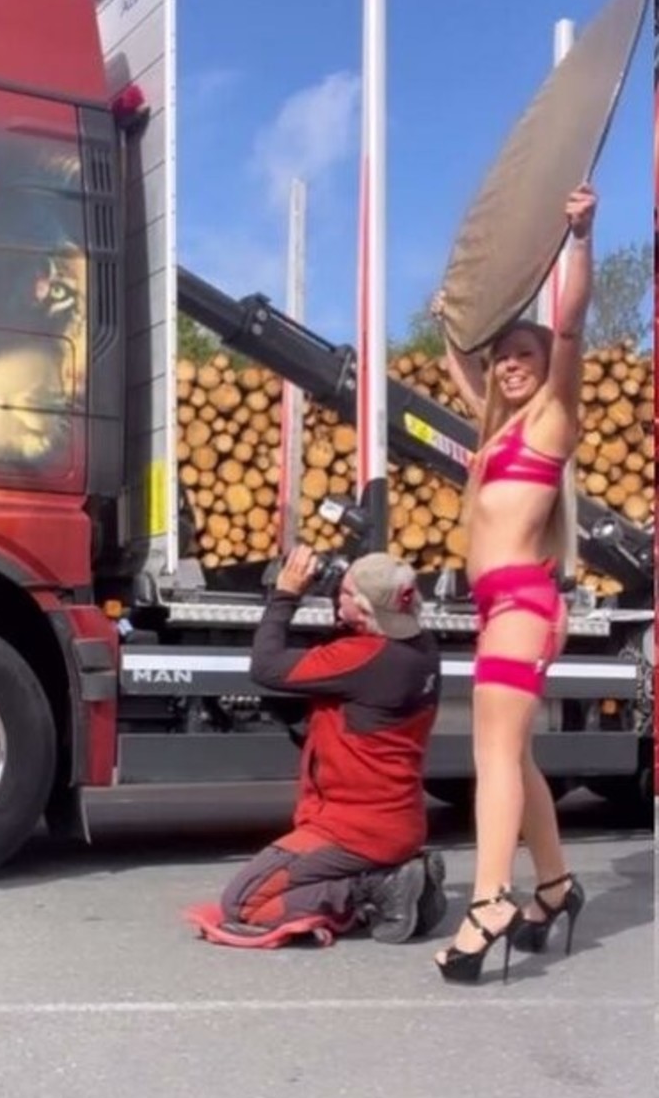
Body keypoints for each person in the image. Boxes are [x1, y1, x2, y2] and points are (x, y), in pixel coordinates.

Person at [431, 182, 597, 984]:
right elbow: (470, 376)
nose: (511, 367)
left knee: (492, 754)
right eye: (504, 360)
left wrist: (581, 239)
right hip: (501, 606)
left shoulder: (553, 422)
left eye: (524, 356)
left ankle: (490, 899)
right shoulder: (498, 434)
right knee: (515, 753)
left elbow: (568, 327)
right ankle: (556, 886)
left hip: (525, 605)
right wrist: (451, 328)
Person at [188, 546, 445, 949]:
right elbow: (349, 648)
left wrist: (286, 594)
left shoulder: (363, 658)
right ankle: (398, 877)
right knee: (276, 889)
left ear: (363, 609)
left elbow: (266, 666)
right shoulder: (421, 648)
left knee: (244, 903)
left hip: (353, 830)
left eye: (345, 593)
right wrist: (341, 602)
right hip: (396, 821)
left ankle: (378, 886)